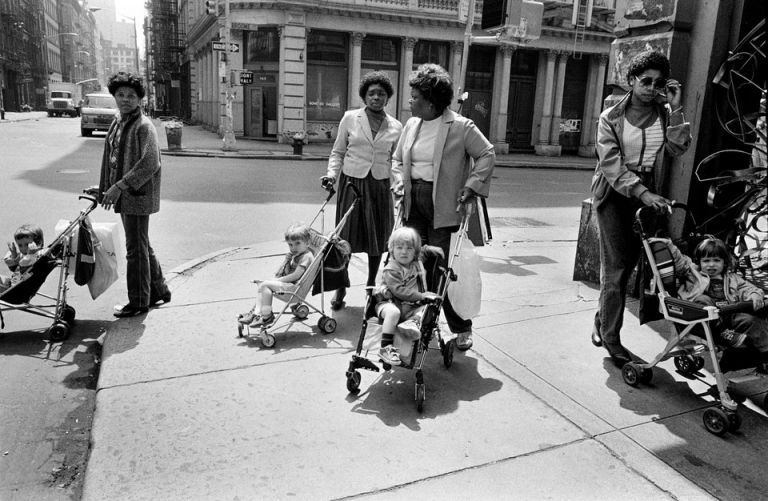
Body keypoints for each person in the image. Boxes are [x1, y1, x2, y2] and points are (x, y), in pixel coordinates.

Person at [590, 50, 691, 366]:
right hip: (614, 196)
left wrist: (675, 108)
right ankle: (611, 338)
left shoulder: (663, 112)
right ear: (631, 81)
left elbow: (677, 148)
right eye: (645, 81)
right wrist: (642, 193)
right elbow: (610, 163)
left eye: (658, 83)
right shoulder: (611, 118)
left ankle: (602, 317)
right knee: (616, 270)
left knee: (630, 267)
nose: (651, 87)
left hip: (648, 197)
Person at [391, 63, 495, 351]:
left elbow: (486, 153)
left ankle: (461, 327)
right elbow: (397, 160)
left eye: (414, 97)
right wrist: (398, 182)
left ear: (431, 101)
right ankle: (418, 322)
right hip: (413, 203)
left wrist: (472, 186)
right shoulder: (412, 124)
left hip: (444, 206)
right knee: (414, 265)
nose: (409, 101)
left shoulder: (461, 127)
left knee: (440, 270)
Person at [321, 71, 403, 310]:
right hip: (352, 184)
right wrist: (331, 176)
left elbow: (396, 161)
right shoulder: (350, 118)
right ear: (364, 96)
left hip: (379, 186)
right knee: (345, 238)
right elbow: (338, 152)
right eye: (371, 93)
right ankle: (341, 286)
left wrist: (398, 185)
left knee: (377, 238)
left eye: (381, 94)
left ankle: (371, 287)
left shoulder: (396, 126)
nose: (376, 97)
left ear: (388, 98)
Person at [98, 72, 171, 318]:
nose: (125, 99)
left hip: (138, 195)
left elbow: (151, 163)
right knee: (141, 244)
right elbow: (111, 159)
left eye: (131, 95)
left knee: (135, 249)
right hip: (125, 193)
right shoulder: (119, 121)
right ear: (114, 96)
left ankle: (139, 301)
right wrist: (103, 188)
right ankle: (159, 289)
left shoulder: (144, 126)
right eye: (121, 95)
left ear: (140, 99)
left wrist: (119, 186)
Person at [689, 236, 768, 372]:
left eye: (716, 260)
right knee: (703, 300)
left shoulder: (732, 278)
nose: (711, 265)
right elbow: (680, 261)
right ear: (699, 262)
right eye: (706, 261)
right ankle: (723, 333)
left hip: (730, 315)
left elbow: (749, 288)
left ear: (724, 262)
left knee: (752, 320)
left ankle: (764, 355)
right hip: (706, 321)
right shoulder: (693, 276)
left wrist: (755, 295)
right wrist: (665, 242)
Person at [374, 227, 439, 366]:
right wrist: (421, 295)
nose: (404, 251)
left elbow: (421, 252)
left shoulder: (414, 264)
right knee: (393, 312)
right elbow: (399, 291)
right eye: (399, 247)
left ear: (415, 252)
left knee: (428, 308)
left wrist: (428, 249)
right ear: (392, 249)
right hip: (388, 303)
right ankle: (385, 348)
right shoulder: (391, 269)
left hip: (410, 306)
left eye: (409, 248)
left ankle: (412, 323)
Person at [238, 223, 314, 328]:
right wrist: (287, 261)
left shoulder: (307, 257)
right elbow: (288, 271)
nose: (293, 247)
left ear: (308, 243)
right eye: (290, 244)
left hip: (295, 290)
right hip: (291, 286)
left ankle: (266, 316)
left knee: (264, 285)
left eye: (297, 243)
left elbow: (296, 276)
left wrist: (278, 280)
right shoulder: (297, 255)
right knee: (263, 285)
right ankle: (255, 313)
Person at [1, 224, 44, 293]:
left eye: (27, 245)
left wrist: (30, 254)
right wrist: (14, 255)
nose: (23, 248)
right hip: (12, 284)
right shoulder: (25, 255)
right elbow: (14, 268)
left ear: (38, 243)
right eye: (20, 245)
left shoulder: (37, 256)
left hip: (19, 289)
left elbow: (23, 263)